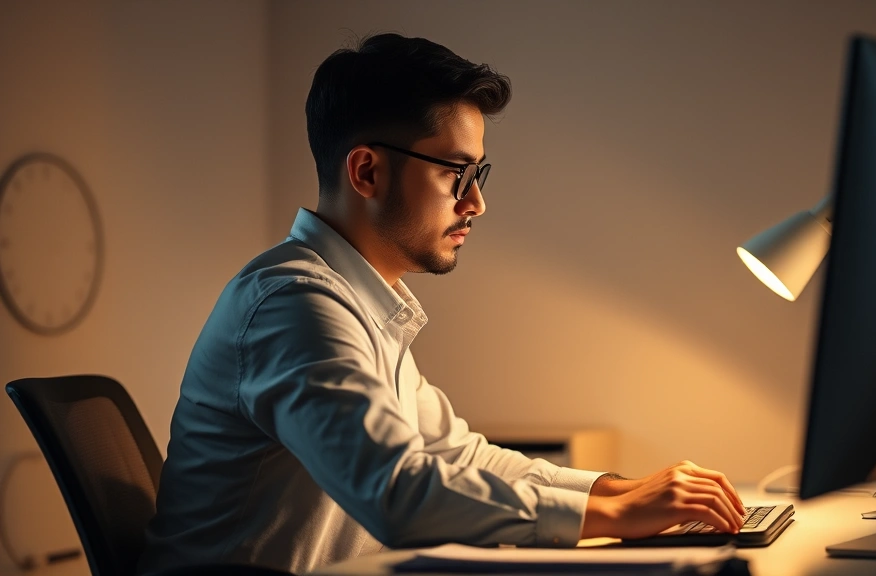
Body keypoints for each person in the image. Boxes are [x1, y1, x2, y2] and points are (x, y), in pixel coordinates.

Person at [138, 32, 746, 575]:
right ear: (367, 172)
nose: (476, 202)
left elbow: (456, 456)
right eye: (457, 172)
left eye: (480, 174)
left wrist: (623, 492)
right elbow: (396, 492)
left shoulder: (358, 303)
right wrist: (616, 515)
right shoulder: (293, 304)